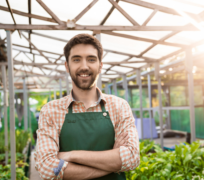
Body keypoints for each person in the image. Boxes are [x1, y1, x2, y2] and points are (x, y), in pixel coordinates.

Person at [35, 34, 140, 180]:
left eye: (91, 59)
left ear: (100, 66)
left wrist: (70, 155)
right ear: (67, 66)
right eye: (76, 59)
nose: (84, 66)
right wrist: (113, 163)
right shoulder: (50, 111)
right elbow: (48, 168)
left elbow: (132, 158)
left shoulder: (119, 106)